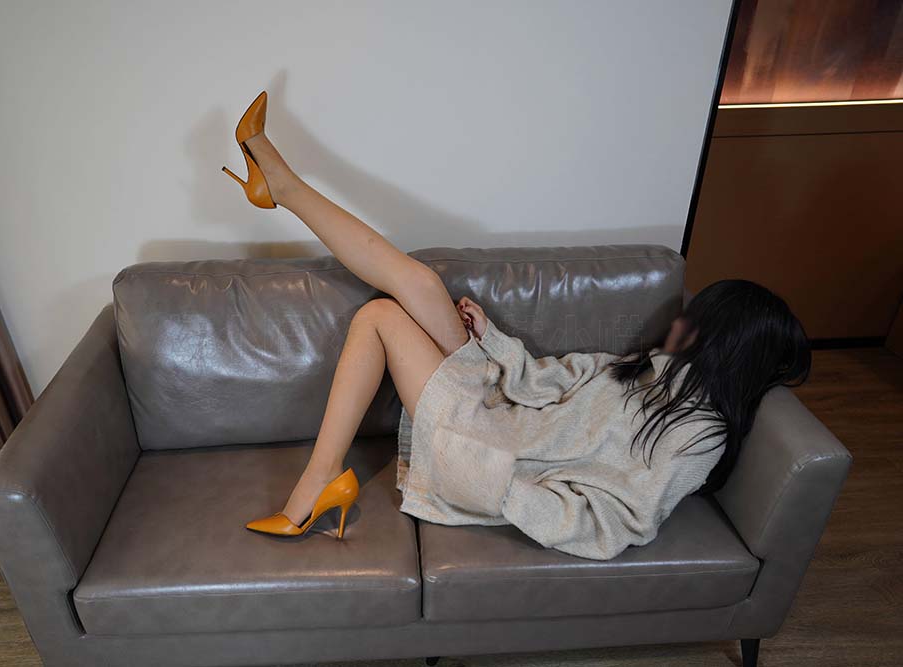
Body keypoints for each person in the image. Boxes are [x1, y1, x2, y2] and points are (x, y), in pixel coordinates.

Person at [223, 91, 812, 559]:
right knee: (418, 285)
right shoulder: (644, 369)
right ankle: (281, 184)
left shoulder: (696, 435)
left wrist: (502, 485)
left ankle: (317, 483)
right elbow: (547, 381)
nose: (683, 322)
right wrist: (492, 339)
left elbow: (616, 522)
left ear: (726, 343)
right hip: (498, 409)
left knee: (379, 315)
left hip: (484, 454)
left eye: (698, 320)